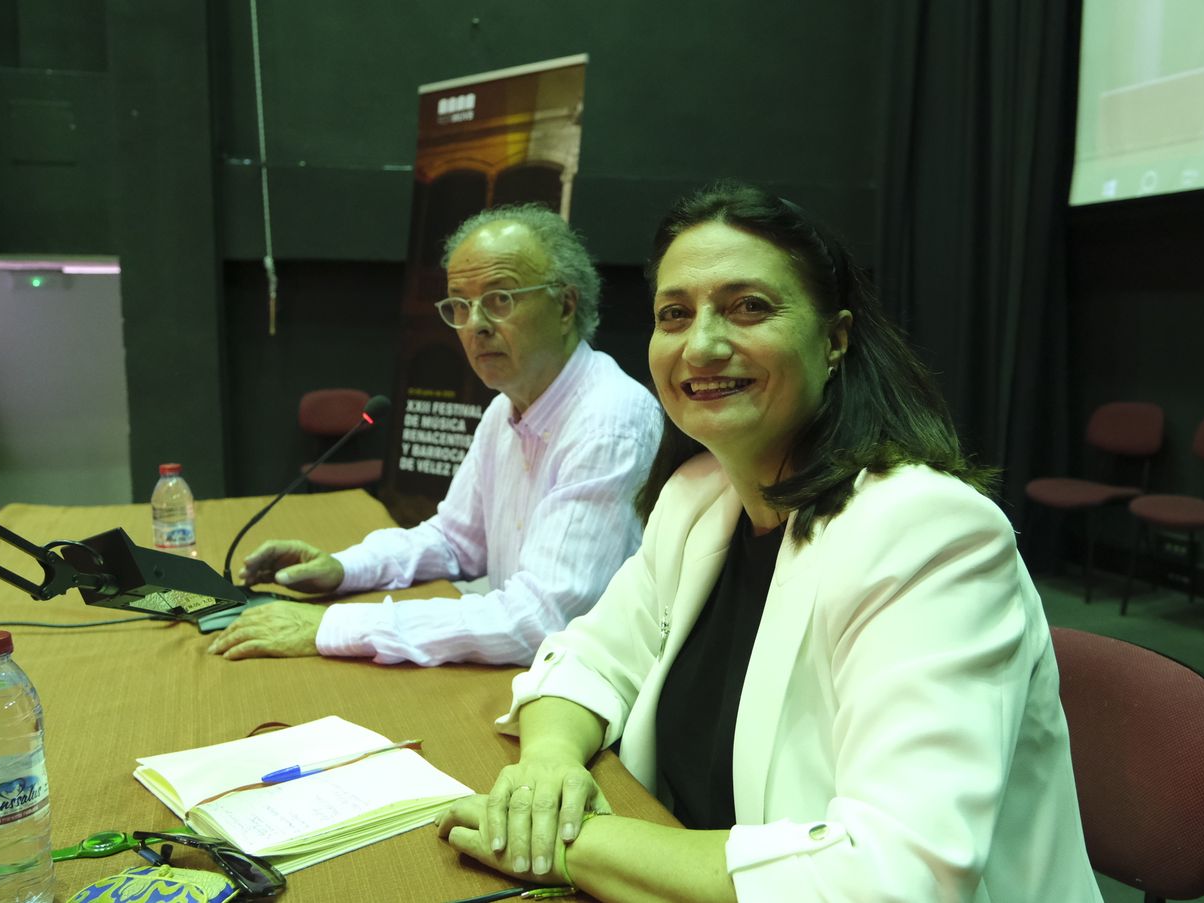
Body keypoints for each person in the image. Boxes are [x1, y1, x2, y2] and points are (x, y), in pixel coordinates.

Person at [436, 182, 1102, 901]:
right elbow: (589, 654)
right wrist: (547, 765)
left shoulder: (932, 534)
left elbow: (896, 878)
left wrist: (578, 844)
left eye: (748, 306)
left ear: (836, 337)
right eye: (675, 313)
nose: (703, 343)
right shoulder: (700, 496)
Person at [207, 205, 662, 666]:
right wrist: (344, 569)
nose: (475, 325)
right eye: (460, 305)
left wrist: (334, 627)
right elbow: (453, 540)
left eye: (500, 298)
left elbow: (541, 619)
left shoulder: (608, 423)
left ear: (565, 305)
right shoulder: (507, 407)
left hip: (593, 695)